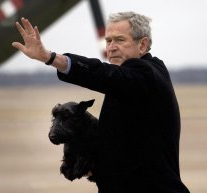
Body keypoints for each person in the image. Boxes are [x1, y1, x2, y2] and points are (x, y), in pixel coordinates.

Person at [12, 11, 190, 193]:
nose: (111, 47)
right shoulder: (140, 77)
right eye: (108, 41)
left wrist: (50, 58)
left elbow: (104, 74)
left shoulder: (144, 74)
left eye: (119, 40)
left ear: (142, 44)